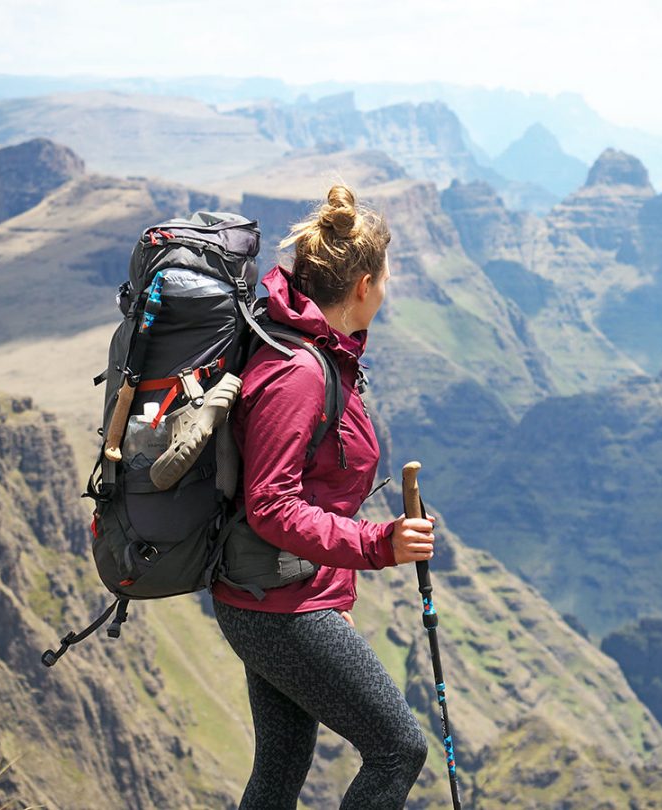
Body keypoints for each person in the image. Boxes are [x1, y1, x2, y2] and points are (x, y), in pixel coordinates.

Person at [211, 185, 435, 809]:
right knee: (399, 748)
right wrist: (379, 544)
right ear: (363, 286)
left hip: (272, 592)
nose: (387, 290)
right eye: (385, 278)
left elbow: (313, 488)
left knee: (282, 764)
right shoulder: (301, 372)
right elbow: (272, 504)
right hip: (278, 603)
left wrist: (357, 568)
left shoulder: (318, 353)